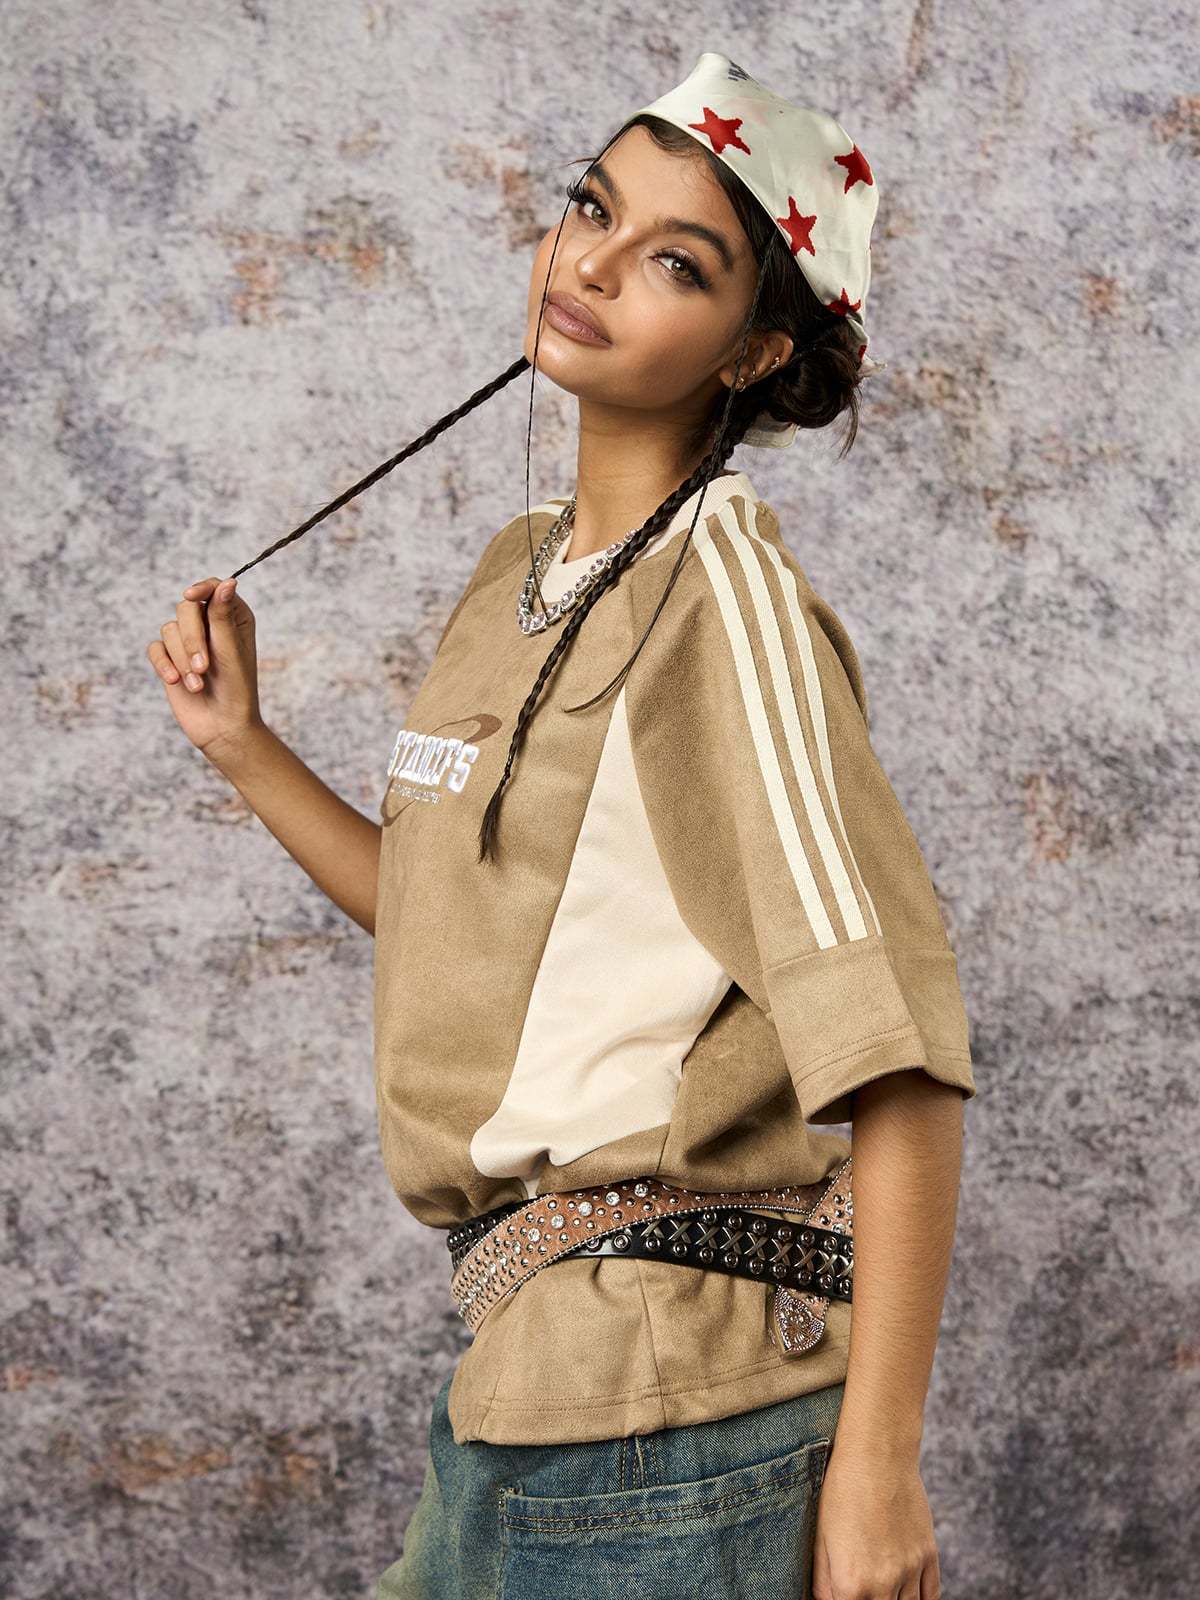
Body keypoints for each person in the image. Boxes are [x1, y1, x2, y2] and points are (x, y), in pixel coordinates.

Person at [147, 50, 974, 1600]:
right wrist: (244, 748)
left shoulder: (724, 598)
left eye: (677, 262)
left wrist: (880, 1469)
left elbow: (904, 1055)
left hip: (674, 1424)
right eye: (592, 207)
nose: (591, 262)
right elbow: (468, 934)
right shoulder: (515, 573)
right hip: (520, 1391)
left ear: (754, 349)